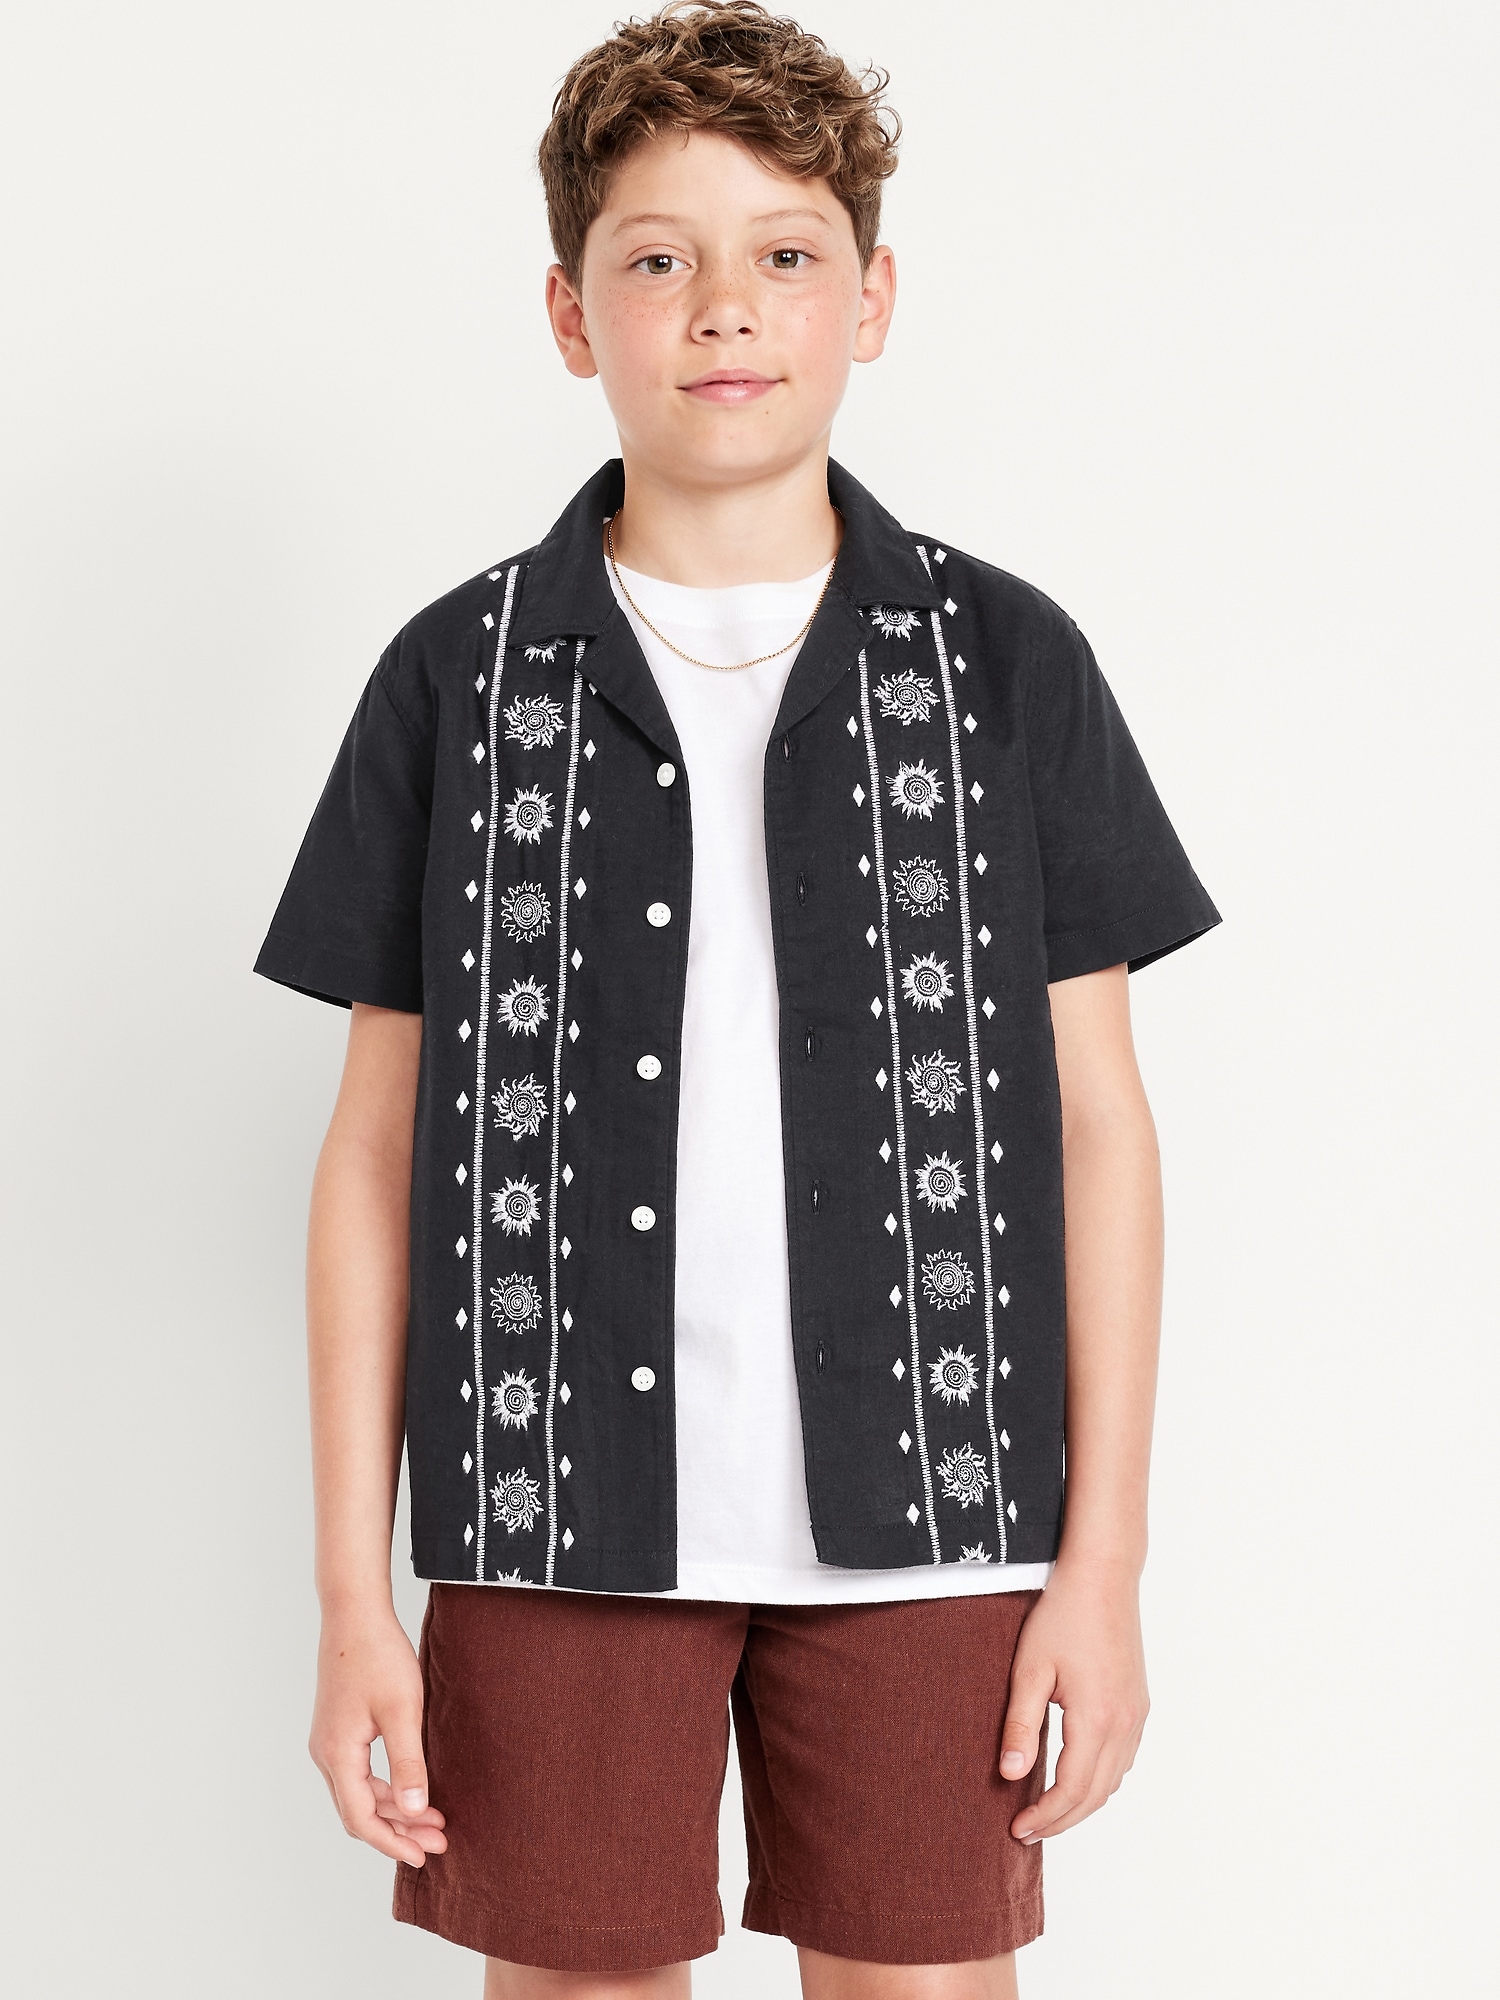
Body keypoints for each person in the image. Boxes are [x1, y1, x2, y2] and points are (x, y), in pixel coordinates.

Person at [254, 6, 1220, 1995]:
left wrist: (1103, 1562)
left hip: (941, 1514)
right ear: (569, 311)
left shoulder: (1003, 665)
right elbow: (373, 1150)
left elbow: (1100, 1124)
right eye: (656, 257)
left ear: (873, 298)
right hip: (552, 1516)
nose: (725, 307)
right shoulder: (458, 680)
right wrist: (355, 1589)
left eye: (786, 252)